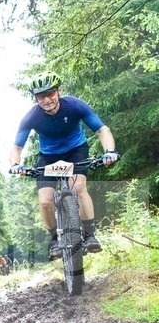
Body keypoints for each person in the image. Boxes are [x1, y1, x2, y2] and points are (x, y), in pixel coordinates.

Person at [9, 72, 120, 258]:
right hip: (49, 157)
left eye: (50, 93)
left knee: (78, 187)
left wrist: (109, 151)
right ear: (36, 98)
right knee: (45, 201)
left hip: (76, 152)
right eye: (40, 96)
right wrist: (15, 164)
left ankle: (90, 235)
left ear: (59, 91)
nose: (46, 100)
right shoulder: (32, 117)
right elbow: (16, 147)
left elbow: (102, 130)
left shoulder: (75, 105)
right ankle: (55, 239)